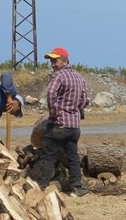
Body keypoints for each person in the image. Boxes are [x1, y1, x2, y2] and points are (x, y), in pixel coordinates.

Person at [30, 47, 88, 196]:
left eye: (55, 61)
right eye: (51, 61)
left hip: (59, 124)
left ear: (64, 61)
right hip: (74, 126)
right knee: (73, 157)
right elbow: (84, 100)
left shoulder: (59, 76)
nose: (52, 64)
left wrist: (55, 113)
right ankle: (77, 188)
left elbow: (51, 93)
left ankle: (41, 187)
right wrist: (74, 110)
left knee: (48, 157)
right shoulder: (79, 77)